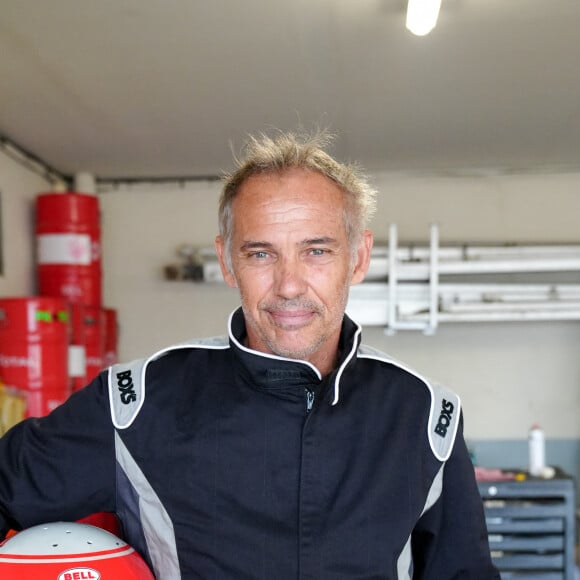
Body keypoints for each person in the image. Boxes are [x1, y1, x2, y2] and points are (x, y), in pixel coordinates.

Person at [0, 131, 499, 579]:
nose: (288, 285)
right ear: (227, 262)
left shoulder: (424, 417)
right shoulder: (136, 406)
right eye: (260, 253)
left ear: (359, 257)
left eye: (317, 251)